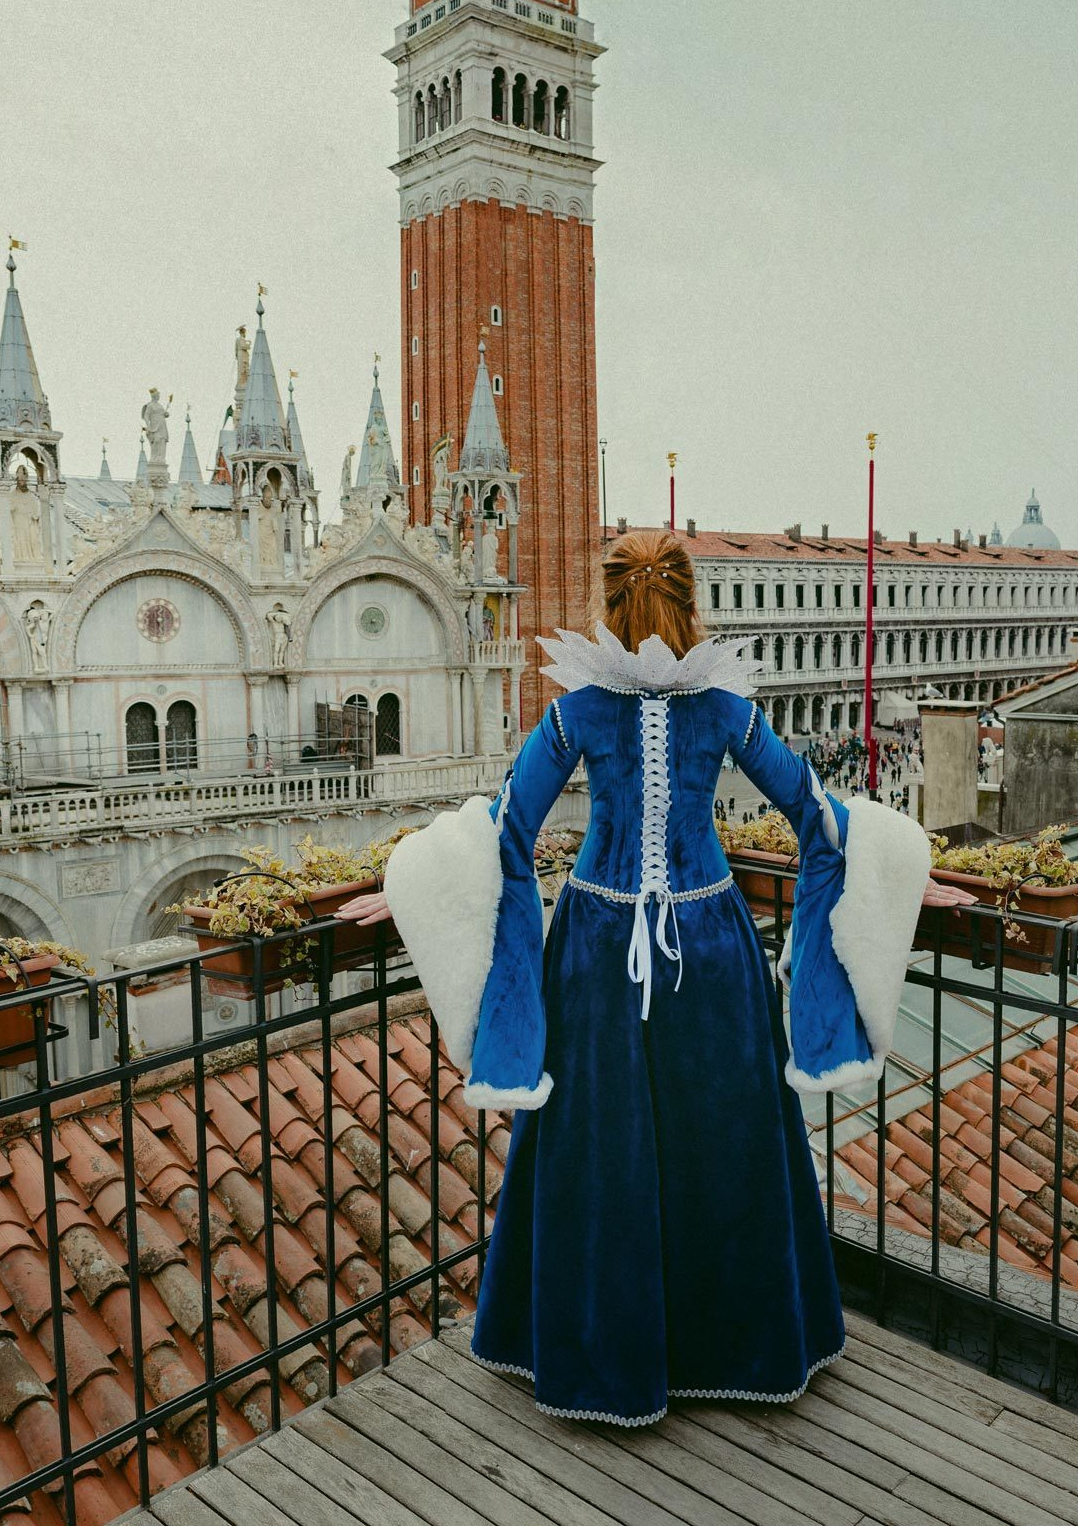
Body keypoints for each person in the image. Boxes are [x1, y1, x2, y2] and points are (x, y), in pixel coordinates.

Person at [340, 528, 972, 1426]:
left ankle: (610, 1356)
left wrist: (400, 886)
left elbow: (504, 829)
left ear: (609, 602)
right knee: (725, 1142)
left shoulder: (579, 711)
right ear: (689, 603)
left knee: (601, 1148)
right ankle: (736, 1349)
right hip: (711, 946)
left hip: (598, 948)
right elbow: (817, 812)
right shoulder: (724, 709)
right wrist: (910, 874)